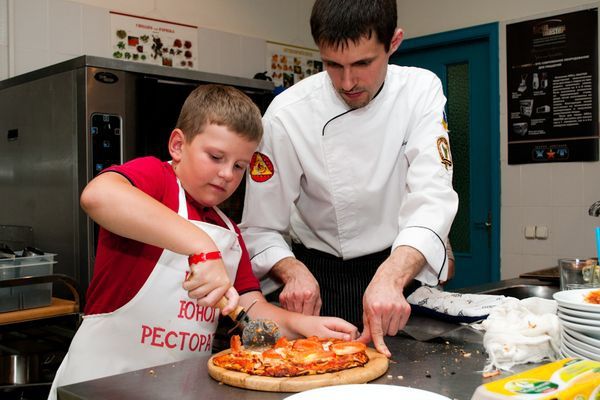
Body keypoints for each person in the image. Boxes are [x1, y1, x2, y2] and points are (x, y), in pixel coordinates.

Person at [48, 84, 358, 399]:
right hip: (101, 385)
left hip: (177, 388)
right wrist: (201, 248)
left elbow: (251, 311)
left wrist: (305, 326)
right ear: (178, 145)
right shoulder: (157, 181)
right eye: (215, 157)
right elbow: (97, 196)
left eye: (239, 166)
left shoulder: (228, 231)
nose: (227, 174)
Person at [239, 0, 459, 358]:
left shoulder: (420, 91)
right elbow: (260, 227)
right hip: (318, 282)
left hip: (399, 271)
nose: (347, 82)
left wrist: (392, 276)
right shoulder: (286, 115)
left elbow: (432, 195)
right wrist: (291, 271)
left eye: (362, 63)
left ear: (394, 43)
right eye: (332, 65)